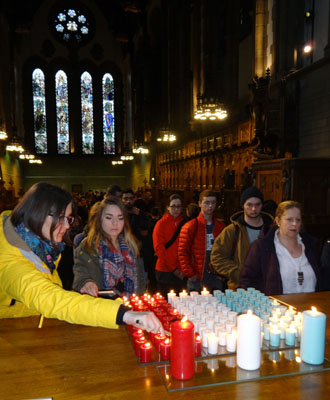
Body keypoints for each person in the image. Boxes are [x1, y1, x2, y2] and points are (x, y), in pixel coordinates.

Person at [0, 182, 163, 334]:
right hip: (13, 332)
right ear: (39, 213)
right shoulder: (10, 262)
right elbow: (51, 299)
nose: (67, 226)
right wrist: (123, 314)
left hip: (37, 326)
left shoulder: (40, 246)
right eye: (62, 218)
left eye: (69, 219)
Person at [240, 201, 322, 295]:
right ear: (278, 221)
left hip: (309, 307)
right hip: (277, 308)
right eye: (289, 219)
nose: (294, 224)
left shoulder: (310, 246)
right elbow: (247, 281)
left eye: (298, 220)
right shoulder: (262, 247)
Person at [73, 197, 139, 298]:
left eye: (120, 218)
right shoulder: (87, 247)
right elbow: (80, 275)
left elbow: (140, 279)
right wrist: (86, 283)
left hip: (128, 307)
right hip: (101, 308)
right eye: (109, 218)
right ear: (99, 219)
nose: (115, 223)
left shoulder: (130, 246)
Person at [210, 186, 273, 289]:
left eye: (257, 204)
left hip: (268, 288)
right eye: (249, 205)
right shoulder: (232, 230)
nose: (253, 209)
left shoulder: (272, 230)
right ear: (242, 205)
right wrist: (239, 273)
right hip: (240, 289)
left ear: (262, 205)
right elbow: (217, 257)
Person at [178, 190, 225, 292]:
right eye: (206, 202)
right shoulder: (190, 226)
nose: (210, 206)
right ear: (199, 204)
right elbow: (182, 252)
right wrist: (190, 274)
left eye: (213, 203)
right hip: (197, 275)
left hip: (215, 276)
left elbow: (226, 251)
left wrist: (223, 272)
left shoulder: (220, 227)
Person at [153, 194, 187, 296]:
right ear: (168, 207)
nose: (176, 209)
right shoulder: (161, 224)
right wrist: (174, 269)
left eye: (179, 206)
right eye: (173, 206)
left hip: (181, 270)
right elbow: (159, 249)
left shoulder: (186, 223)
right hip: (165, 270)